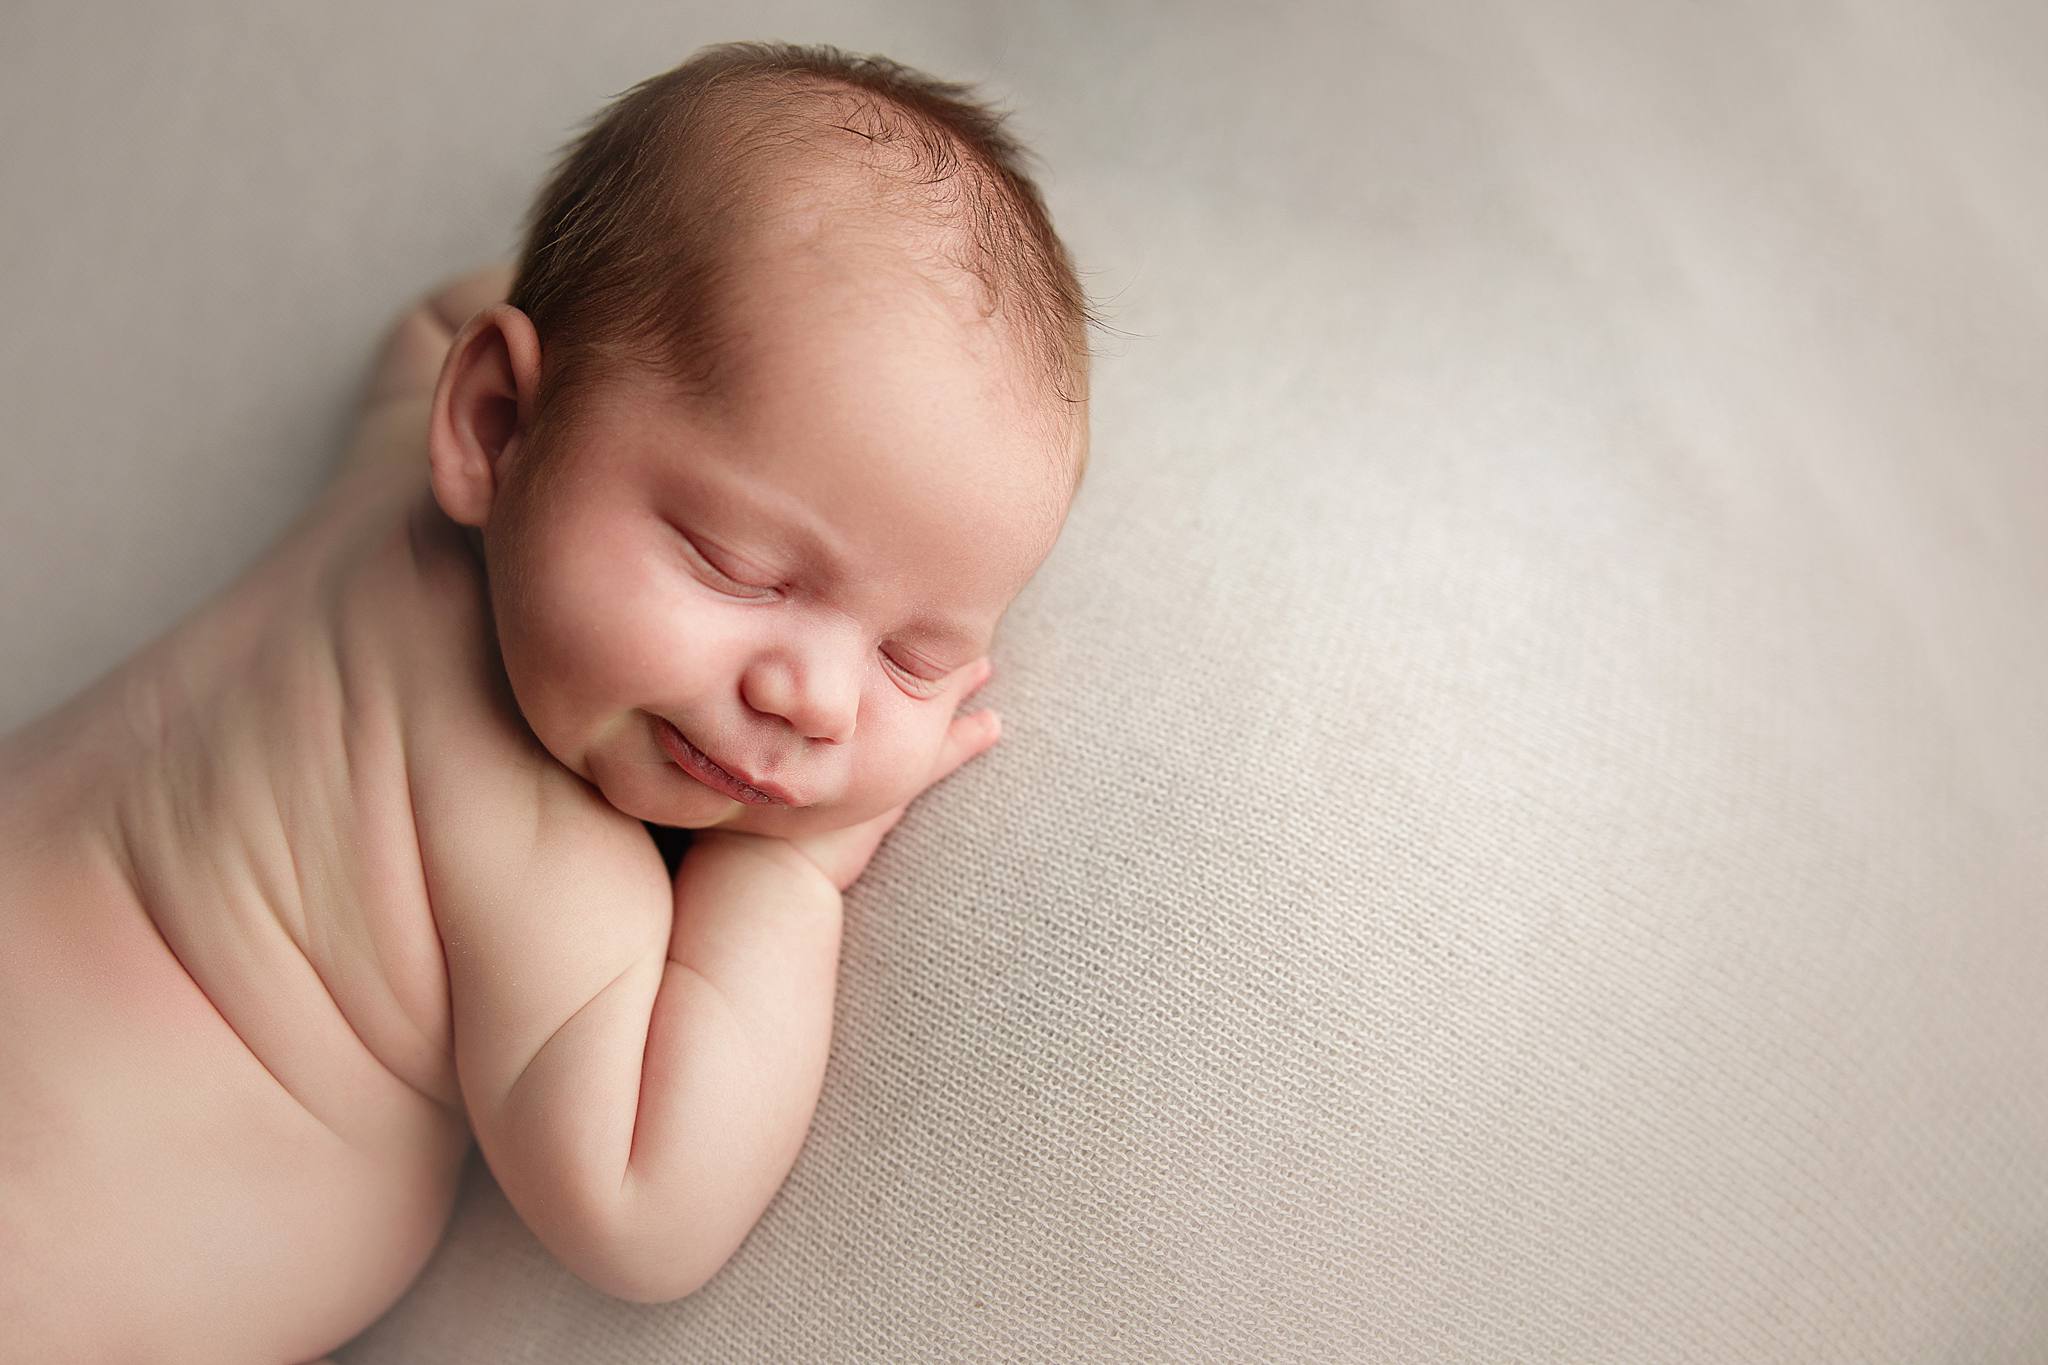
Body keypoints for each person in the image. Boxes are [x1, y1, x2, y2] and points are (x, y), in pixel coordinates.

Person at [0, 40, 1094, 1363]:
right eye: (737, 565)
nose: (811, 695)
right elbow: (646, 1205)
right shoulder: (536, 842)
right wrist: (788, 880)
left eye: (911, 659)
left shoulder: (408, 451)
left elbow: (430, 320)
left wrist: (609, 327)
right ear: (500, 422)